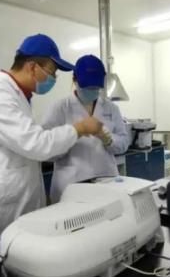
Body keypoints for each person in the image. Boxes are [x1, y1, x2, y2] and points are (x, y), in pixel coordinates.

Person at [0, 34, 103, 253]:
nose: (53, 78)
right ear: (33, 67)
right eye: (51, 72)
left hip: (16, 205)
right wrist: (80, 128)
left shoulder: (20, 97)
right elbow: (37, 144)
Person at [41, 54, 130, 202]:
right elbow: (46, 150)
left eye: (96, 87)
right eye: (87, 87)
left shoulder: (111, 108)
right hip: (70, 186)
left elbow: (123, 144)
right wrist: (73, 134)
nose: (92, 91)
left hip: (106, 181)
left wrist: (109, 140)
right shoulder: (59, 108)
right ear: (74, 79)